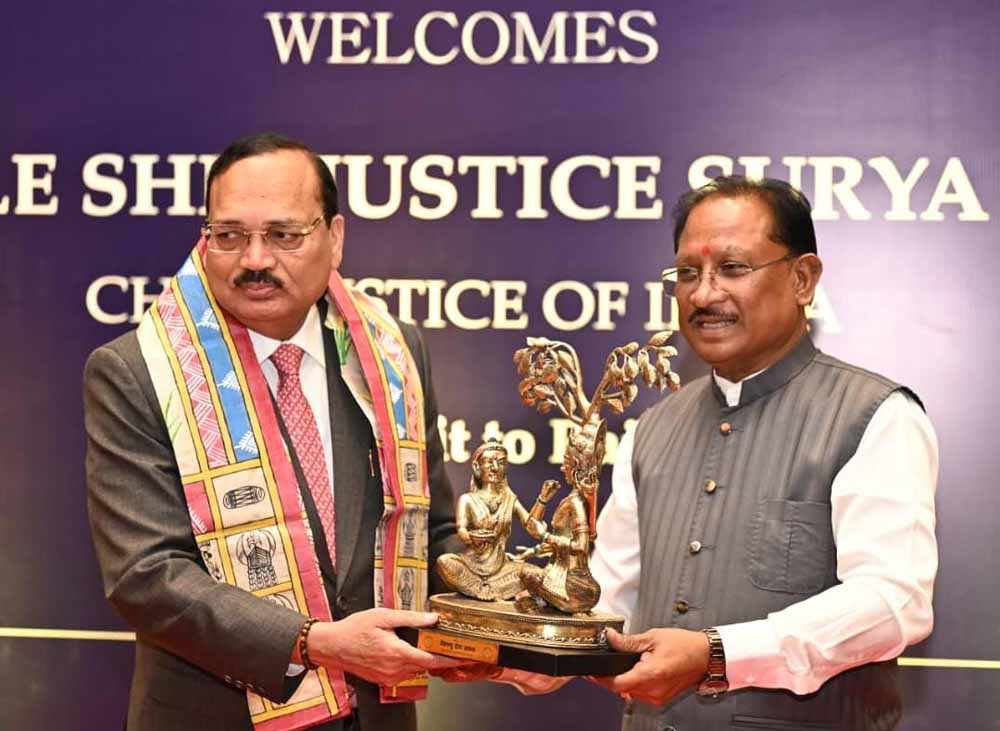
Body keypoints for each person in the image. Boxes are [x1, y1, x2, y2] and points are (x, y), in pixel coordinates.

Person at [440, 176, 938, 730]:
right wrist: (519, 651)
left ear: (803, 279)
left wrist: (718, 653)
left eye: (733, 268)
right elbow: (607, 599)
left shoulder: (874, 415)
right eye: (687, 274)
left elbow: (894, 602)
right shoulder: (653, 428)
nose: (703, 295)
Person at [84, 132, 468, 731]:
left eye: (285, 235)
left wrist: (494, 634)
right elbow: (147, 575)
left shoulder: (392, 355)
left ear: (334, 238)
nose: (256, 259)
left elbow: (432, 531)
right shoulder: (139, 372)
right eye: (229, 235)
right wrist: (314, 642)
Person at [437, 440, 540, 600]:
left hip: (501, 568)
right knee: (445, 562)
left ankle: (488, 590)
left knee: (536, 574)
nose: (495, 467)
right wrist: (472, 538)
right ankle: (482, 590)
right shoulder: (467, 499)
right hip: (473, 566)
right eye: (489, 462)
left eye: (501, 462)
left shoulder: (510, 499)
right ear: (477, 467)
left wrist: (542, 500)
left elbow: (531, 526)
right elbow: (461, 529)